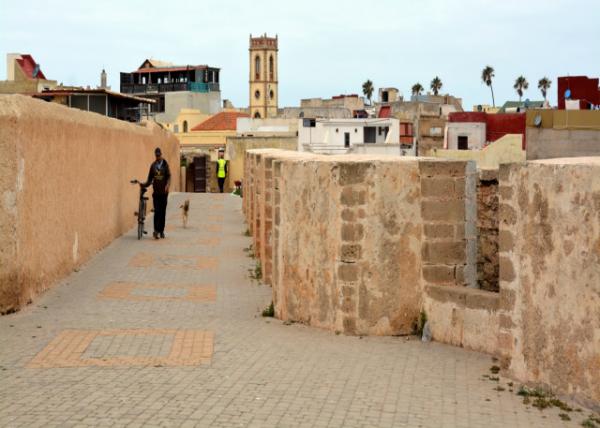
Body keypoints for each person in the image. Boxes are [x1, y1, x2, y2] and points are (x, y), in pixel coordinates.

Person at [142, 147, 171, 239]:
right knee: (157, 211)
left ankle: (161, 230)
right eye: (156, 155)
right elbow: (150, 179)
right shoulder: (153, 166)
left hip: (164, 193)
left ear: (161, 154)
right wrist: (144, 185)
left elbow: (169, 176)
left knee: (162, 212)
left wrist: (167, 185)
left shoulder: (165, 165)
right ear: (155, 155)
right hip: (156, 193)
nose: (158, 157)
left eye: (159, 155)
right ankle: (156, 231)